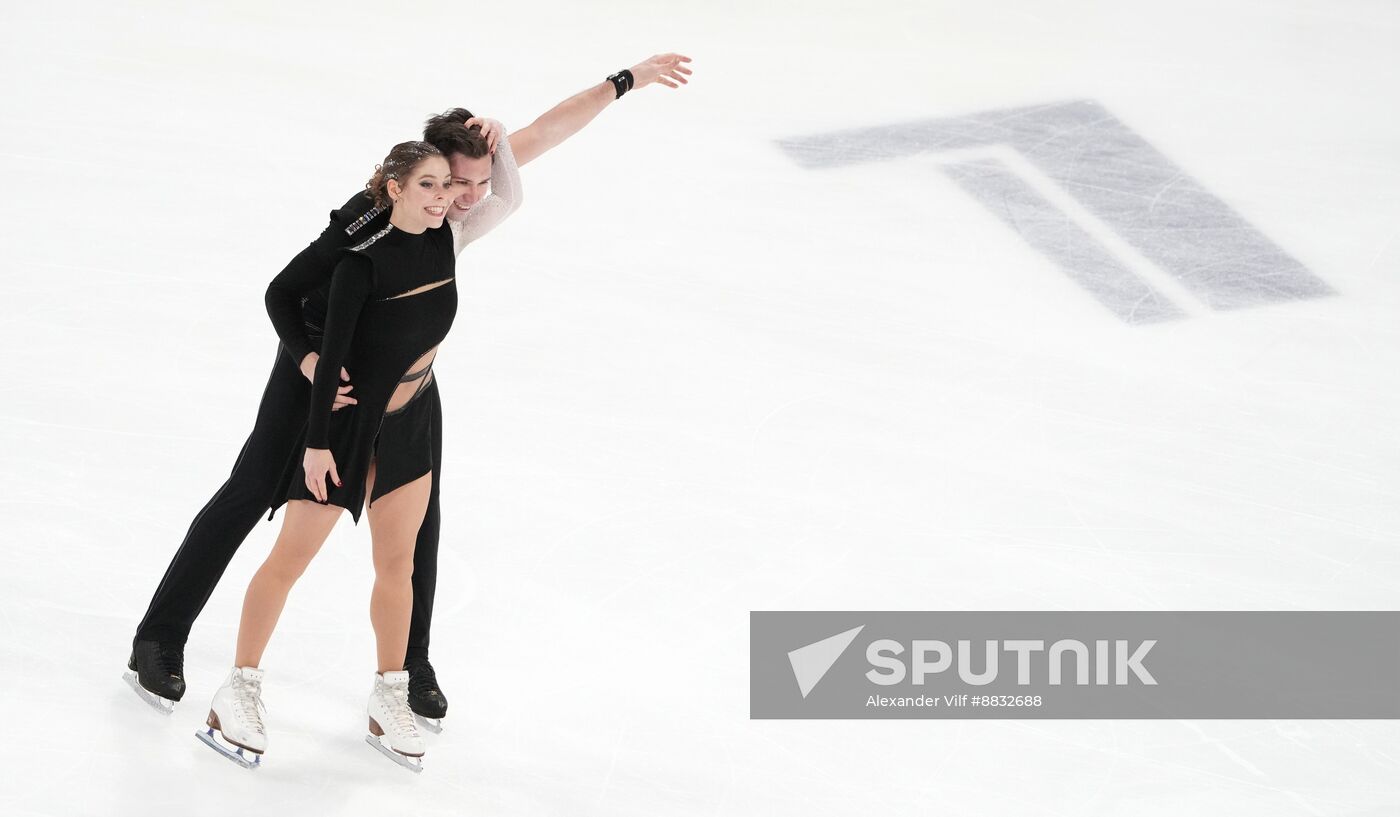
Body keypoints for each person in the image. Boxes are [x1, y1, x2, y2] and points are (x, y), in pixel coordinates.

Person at [124, 54, 695, 727]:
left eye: (479, 181)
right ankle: (159, 637)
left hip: (408, 377)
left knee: (417, 523)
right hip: (320, 367)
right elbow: (289, 290)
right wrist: (309, 363)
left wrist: (628, 79)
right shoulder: (371, 220)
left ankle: (408, 664)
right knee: (250, 490)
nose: (468, 197)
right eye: (455, 182)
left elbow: (542, 134)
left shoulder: (462, 209)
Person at [198, 140, 489, 771]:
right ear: (393, 189)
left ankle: (390, 695)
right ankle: (238, 687)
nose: (444, 198)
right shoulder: (361, 265)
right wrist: (315, 444)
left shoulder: (444, 242)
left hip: (409, 426)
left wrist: (489, 131)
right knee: (290, 559)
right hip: (347, 428)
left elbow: (507, 175)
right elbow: (328, 359)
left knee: (399, 563)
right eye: (428, 187)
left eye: (447, 186)